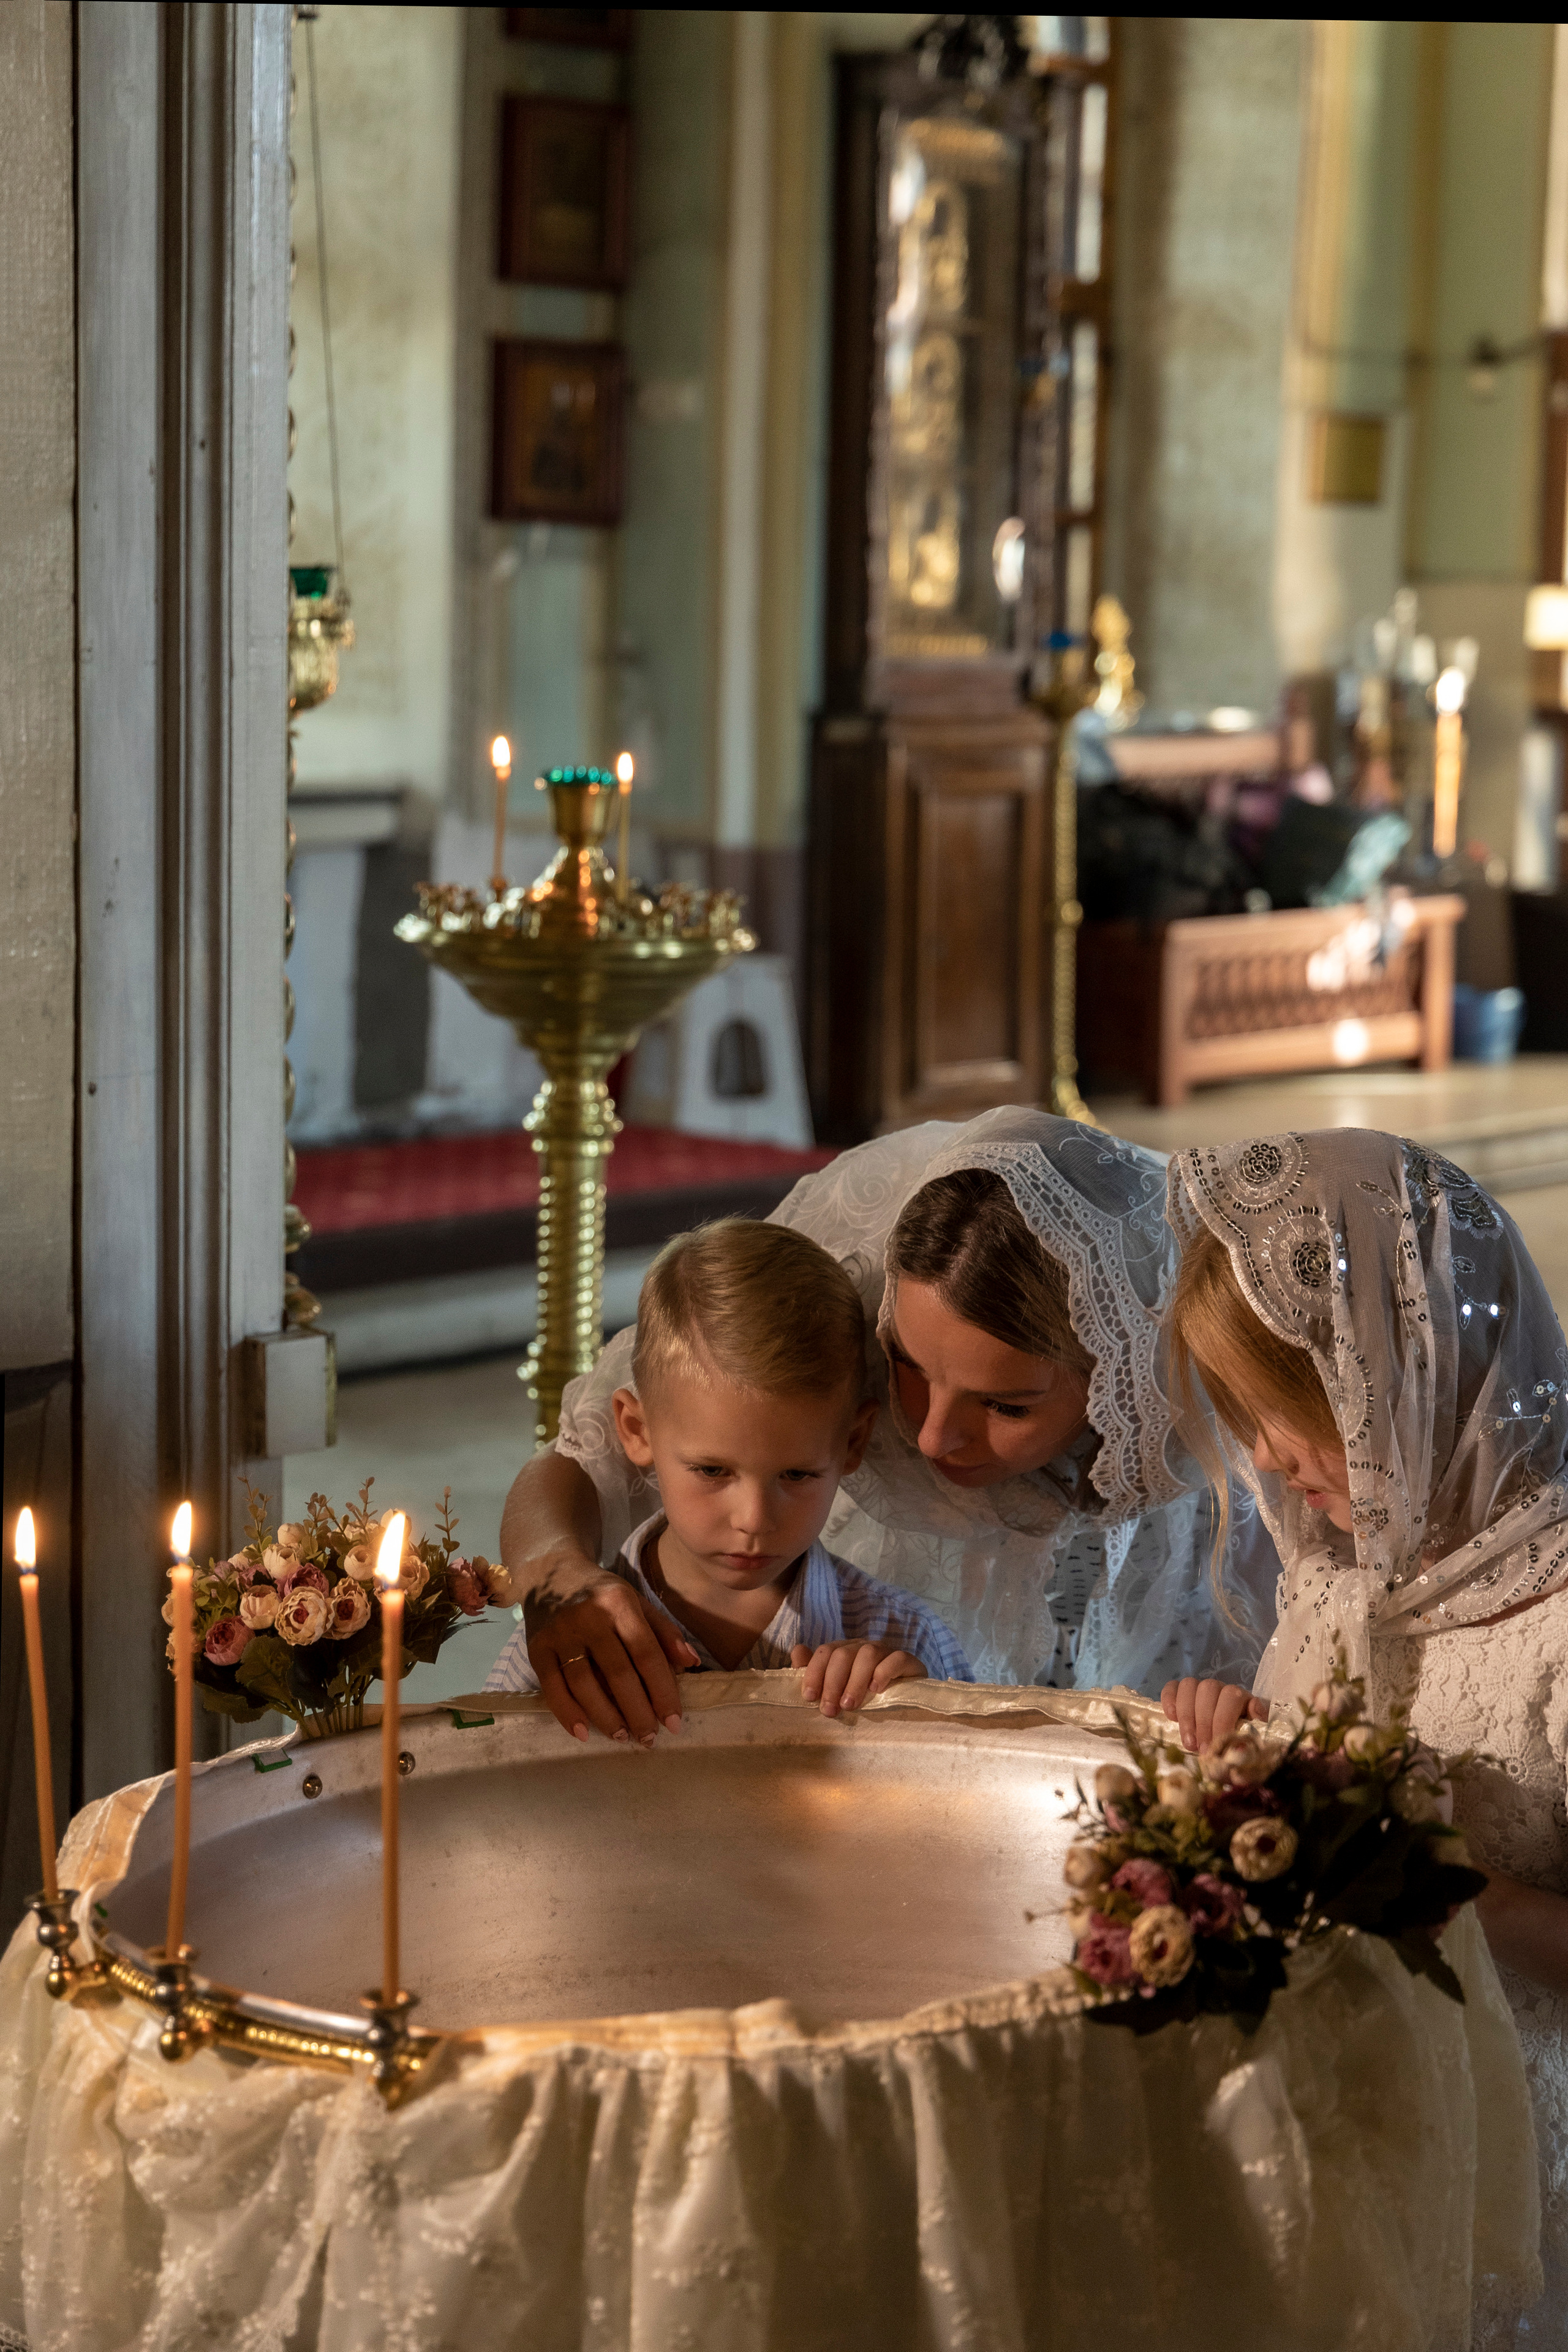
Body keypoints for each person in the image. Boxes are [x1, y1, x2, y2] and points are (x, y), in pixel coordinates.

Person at [501, 1107, 1280, 1745]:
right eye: (906, 1363)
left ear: (1115, 1383)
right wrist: (553, 1575)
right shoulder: (840, 1292)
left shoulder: (1196, 1440)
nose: (934, 1437)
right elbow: (581, 1459)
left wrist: (919, 1703)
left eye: (1006, 1406)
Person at [1163, 1127, 1568, 2346]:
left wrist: (1450, 1883)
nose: (1273, 1464)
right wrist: (1242, 1762)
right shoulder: (1343, 1566)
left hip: (1511, 2157)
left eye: (1297, 1410)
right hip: (1337, 2114)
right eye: (1244, 1417)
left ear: (1411, 1362)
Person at [485, 1219, 973, 1724]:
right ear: (636, 1430)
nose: (755, 1519)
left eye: (798, 1475)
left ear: (852, 1443)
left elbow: (979, 1792)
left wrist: (916, 1718)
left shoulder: (904, 1642)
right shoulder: (572, 1639)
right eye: (713, 1470)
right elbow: (493, 1785)